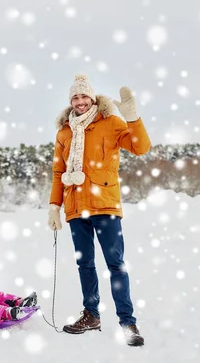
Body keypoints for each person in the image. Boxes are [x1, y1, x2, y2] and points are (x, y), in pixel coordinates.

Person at [47, 74, 151, 346]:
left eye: (84, 97)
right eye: (75, 98)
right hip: (75, 207)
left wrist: (132, 118)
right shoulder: (64, 132)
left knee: (116, 264)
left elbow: (141, 148)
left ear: (92, 98)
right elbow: (59, 172)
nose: (80, 102)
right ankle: (91, 315)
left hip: (105, 204)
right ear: (70, 101)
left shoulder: (112, 123)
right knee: (85, 264)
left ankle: (128, 323)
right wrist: (54, 207)